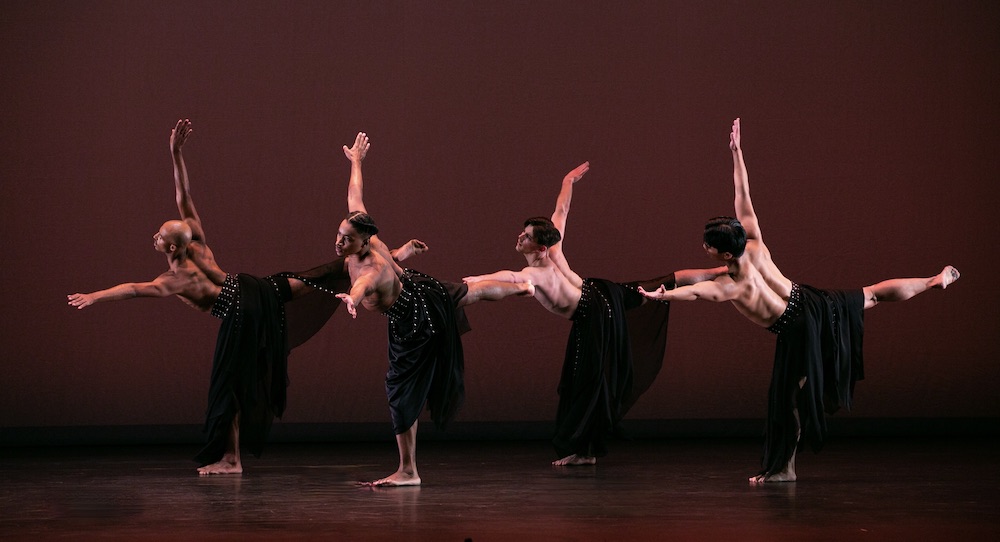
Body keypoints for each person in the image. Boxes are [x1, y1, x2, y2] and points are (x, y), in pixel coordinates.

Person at [66, 120, 425, 475]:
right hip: (258, 288)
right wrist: (175, 154)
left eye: (159, 236)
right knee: (322, 274)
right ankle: (391, 259)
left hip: (241, 310)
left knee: (229, 386)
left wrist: (95, 296)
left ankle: (231, 460)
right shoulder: (198, 241)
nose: (155, 237)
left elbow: (133, 289)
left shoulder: (176, 278)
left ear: (172, 246)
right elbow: (184, 197)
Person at [638, 118, 960, 483]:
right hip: (810, 301)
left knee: (787, 400)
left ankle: (785, 469)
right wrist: (737, 152)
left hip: (797, 330)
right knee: (870, 295)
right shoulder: (755, 242)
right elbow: (742, 193)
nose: (704, 248)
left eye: (708, 246)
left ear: (726, 255)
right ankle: (934, 280)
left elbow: (697, 291)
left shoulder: (733, 286)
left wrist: (665, 295)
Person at [464, 163, 726, 466]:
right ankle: (721, 269)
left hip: (594, 313)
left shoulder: (537, 273)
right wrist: (567, 181)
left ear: (539, 245)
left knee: (588, 382)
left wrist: (477, 281)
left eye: (525, 236)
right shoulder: (553, 249)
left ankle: (584, 450)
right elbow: (561, 210)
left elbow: (509, 277)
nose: (519, 238)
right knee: (662, 282)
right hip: (601, 292)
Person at [333, 132, 534, 487]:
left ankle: (408, 471)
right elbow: (355, 195)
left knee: (399, 389)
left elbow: (363, 284)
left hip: (413, 321)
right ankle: (523, 287)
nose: (339, 241)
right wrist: (356, 162)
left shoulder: (369, 267)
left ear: (363, 241)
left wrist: (351, 297)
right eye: (339, 234)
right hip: (419, 287)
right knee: (469, 292)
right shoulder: (369, 239)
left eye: (346, 238)